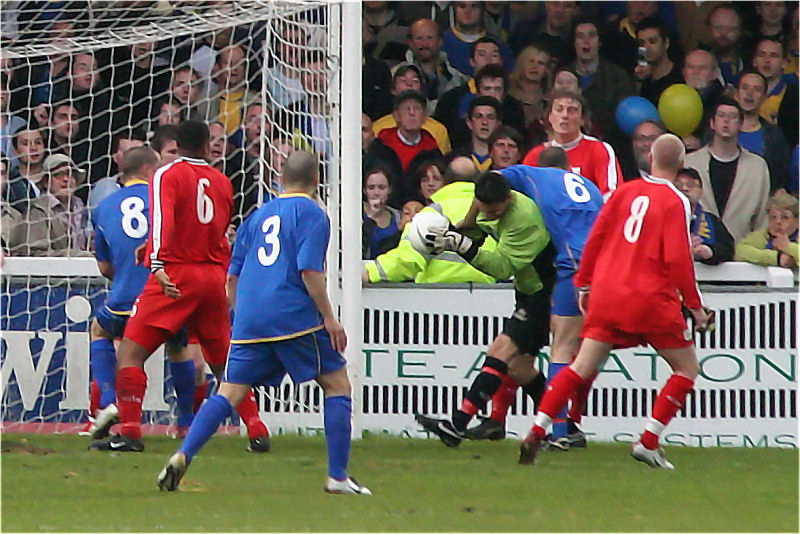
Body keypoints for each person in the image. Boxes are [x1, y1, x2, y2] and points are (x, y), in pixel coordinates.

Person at [157, 151, 371, 495]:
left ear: (280, 179)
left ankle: (183, 454)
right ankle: (338, 477)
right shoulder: (313, 214)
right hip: (292, 314)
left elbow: (232, 277)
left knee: (229, 391)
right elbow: (309, 271)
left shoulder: (257, 216)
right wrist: (329, 318)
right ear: (317, 181)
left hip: (249, 318)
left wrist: (242, 316)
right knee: (337, 384)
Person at [519, 133, 711, 469]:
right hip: (650, 298)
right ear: (681, 165)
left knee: (580, 365)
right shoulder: (676, 200)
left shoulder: (624, 191)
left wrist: (584, 285)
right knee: (686, 368)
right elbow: (679, 259)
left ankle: (538, 429)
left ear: (650, 158)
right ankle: (648, 441)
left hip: (608, 293)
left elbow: (596, 237)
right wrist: (694, 307)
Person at [88, 120, 267, 452]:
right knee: (221, 359)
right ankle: (256, 427)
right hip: (212, 276)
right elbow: (217, 229)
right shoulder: (222, 181)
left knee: (130, 353)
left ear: (176, 145)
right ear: (204, 146)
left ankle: (129, 432)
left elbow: (164, 221)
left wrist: (155, 262)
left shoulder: (166, 175)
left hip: (175, 274)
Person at [466, 147, 603, 447]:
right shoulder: (589, 189)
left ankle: (561, 433)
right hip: (602, 266)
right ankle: (560, 424)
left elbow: (493, 178)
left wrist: (468, 224)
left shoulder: (532, 179)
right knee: (576, 351)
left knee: (561, 350)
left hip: (570, 267)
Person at [414, 167, 553, 448]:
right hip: (528, 289)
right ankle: (558, 429)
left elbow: (502, 266)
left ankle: (456, 425)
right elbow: (476, 225)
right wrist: (455, 232)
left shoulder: (524, 219)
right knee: (519, 367)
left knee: (500, 351)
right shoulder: (484, 202)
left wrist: (462, 245)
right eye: (485, 209)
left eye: (495, 211)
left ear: (509, 200)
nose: (489, 215)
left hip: (544, 290)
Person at [362, 156, 496, 285]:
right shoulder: (494, 213)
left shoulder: (431, 214)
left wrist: (371, 272)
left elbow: (407, 259)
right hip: (490, 298)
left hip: (435, 300)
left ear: (445, 182)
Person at [684, 98, 770, 241]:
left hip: (742, 253)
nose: (726, 121)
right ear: (712, 123)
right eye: (721, 116)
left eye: (732, 117)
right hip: (700, 252)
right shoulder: (690, 163)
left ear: (741, 125)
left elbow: (762, 218)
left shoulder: (757, 167)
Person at [523, 90, 622, 200]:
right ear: (550, 117)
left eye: (572, 111)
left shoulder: (599, 149)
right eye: (559, 110)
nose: (565, 115)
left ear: (582, 120)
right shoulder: (535, 155)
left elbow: (612, 195)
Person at [734, 70, 791, 192]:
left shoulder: (775, 136)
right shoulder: (717, 129)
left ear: (765, 97)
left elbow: (781, 178)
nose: (749, 94)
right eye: (745, 88)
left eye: (757, 90)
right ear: (736, 93)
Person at [403, 18, 469, 107]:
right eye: (419, 38)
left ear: (440, 41)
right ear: (410, 42)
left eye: (430, 38)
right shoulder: (398, 74)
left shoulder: (456, 78)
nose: (424, 44)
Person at [675, 167, 734, 265]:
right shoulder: (660, 219)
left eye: (691, 185)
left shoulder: (712, 220)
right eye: (678, 185)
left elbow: (728, 250)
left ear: (701, 192)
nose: (684, 189)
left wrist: (709, 252)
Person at [441, 1, 515, 77]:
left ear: (483, 10)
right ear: (454, 9)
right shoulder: (440, 42)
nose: (467, 11)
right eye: (462, 6)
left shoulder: (499, 46)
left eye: (474, 6)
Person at [735, 190, 799, 268]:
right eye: (773, 217)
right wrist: (777, 258)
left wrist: (788, 246)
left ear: (797, 222)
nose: (778, 222)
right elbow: (740, 251)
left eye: (785, 217)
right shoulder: (761, 236)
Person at [635, 17, 684, 106]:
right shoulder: (642, 80)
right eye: (642, 43)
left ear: (666, 43)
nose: (647, 48)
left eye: (652, 41)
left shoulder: (682, 76)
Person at [453, 96, 502, 172]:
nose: (484, 122)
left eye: (490, 117)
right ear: (469, 122)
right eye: (479, 116)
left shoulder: (505, 160)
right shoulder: (454, 159)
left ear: (498, 124)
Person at [362, 166, 401, 260]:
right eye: (371, 188)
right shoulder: (355, 214)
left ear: (389, 190)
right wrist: (371, 217)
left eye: (382, 188)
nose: (376, 192)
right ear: (364, 191)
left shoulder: (398, 216)